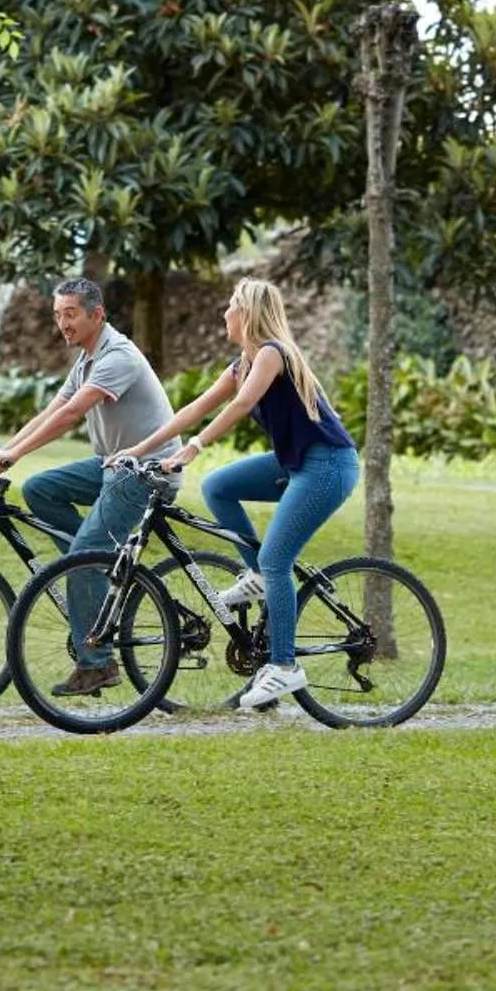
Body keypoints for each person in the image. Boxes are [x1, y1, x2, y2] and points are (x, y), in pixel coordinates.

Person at [118, 278, 356, 709]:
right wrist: (139, 449)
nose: (225, 313)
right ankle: (258, 576)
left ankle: (284, 666)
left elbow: (242, 405)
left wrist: (194, 447)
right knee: (218, 486)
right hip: (296, 463)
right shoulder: (241, 364)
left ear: (247, 314)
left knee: (277, 559)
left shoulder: (271, 354)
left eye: (231, 305)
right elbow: (195, 408)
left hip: (328, 466)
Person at [0, 276, 181, 696]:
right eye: (58, 315)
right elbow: (52, 409)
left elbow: (72, 414)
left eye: (71, 314)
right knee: (41, 490)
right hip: (112, 463)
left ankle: (97, 664)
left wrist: (15, 455)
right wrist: (4, 451)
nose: (63, 323)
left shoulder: (118, 356)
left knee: (81, 558)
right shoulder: (86, 360)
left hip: (147, 470)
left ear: (97, 314)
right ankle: (101, 568)